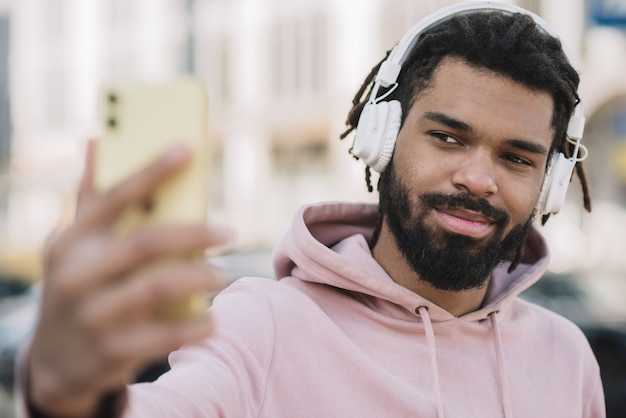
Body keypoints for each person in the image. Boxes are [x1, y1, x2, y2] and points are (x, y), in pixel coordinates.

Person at [17, 2, 605, 417]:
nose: (479, 178)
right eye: (448, 138)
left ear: (549, 184)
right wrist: (69, 396)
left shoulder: (567, 356)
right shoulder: (263, 323)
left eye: (517, 158)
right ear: (382, 139)